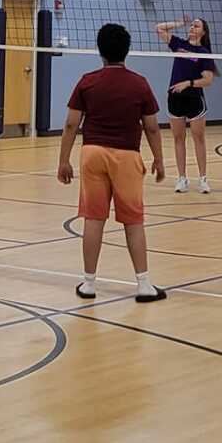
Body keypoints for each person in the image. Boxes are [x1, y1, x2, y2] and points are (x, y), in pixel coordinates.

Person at [58, 23, 167, 303]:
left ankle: (89, 283)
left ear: (100, 50)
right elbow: (152, 128)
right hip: (127, 156)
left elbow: (71, 124)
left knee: (93, 219)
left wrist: (63, 161)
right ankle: (143, 284)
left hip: (92, 153)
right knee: (133, 221)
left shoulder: (87, 81)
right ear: (127, 51)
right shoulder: (139, 83)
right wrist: (159, 159)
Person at [156, 17, 217, 193]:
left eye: (196, 25)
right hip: (175, 97)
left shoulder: (204, 53)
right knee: (178, 138)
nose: (192, 27)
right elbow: (159, 28)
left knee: (198, 138)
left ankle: (203, 178)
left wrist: (188, 83)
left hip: (194, 98)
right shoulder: (179, 44)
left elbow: (208, 80)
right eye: (191, 25)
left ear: (203, 32)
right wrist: (179, 24)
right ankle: (182, 178)